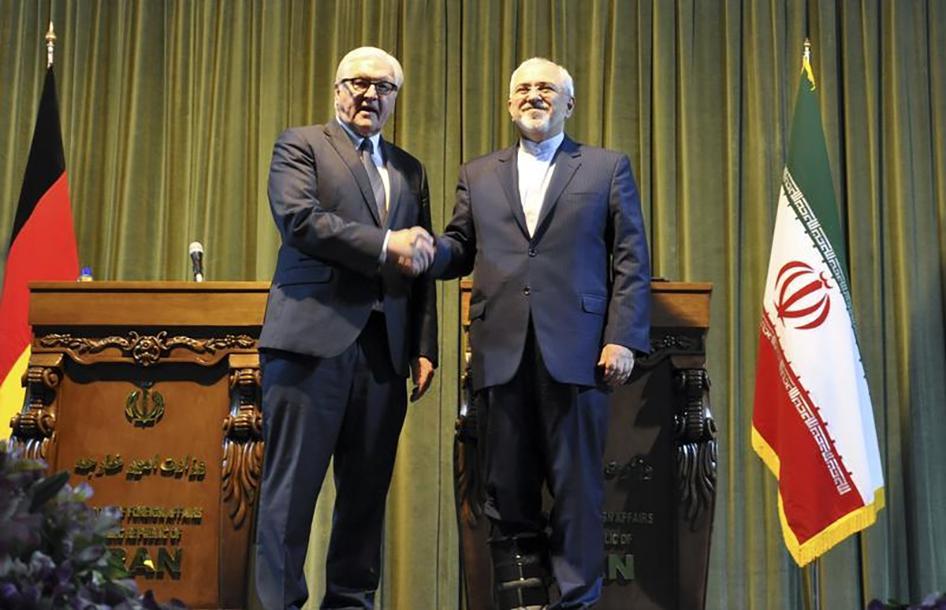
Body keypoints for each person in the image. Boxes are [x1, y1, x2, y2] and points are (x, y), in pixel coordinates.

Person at [429, 57, 651, 609]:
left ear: (568, 104)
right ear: (509, 105)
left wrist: (622, 335)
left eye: (546, 89)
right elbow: (460, 246)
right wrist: (425, 249)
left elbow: (630, 258)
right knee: (506, 493)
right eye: (522, 89)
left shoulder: (605, 168)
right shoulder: (477, 173)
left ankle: (576, 601)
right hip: (500, 353)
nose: (533, 96)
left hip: (579, 356)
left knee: (577, 494)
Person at [255, 46, 438, 610]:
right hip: (310, 344)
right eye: (358, 83)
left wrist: (424, 345)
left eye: (384, 87)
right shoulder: (301, 144)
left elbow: (422, 258)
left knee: (364, 498)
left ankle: (351, 602)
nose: (370, 94)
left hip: (385, 352)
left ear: (394, 100)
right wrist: (386, 243)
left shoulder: (409, 169)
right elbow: (299, 220)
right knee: (290, 493)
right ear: (337, 89)